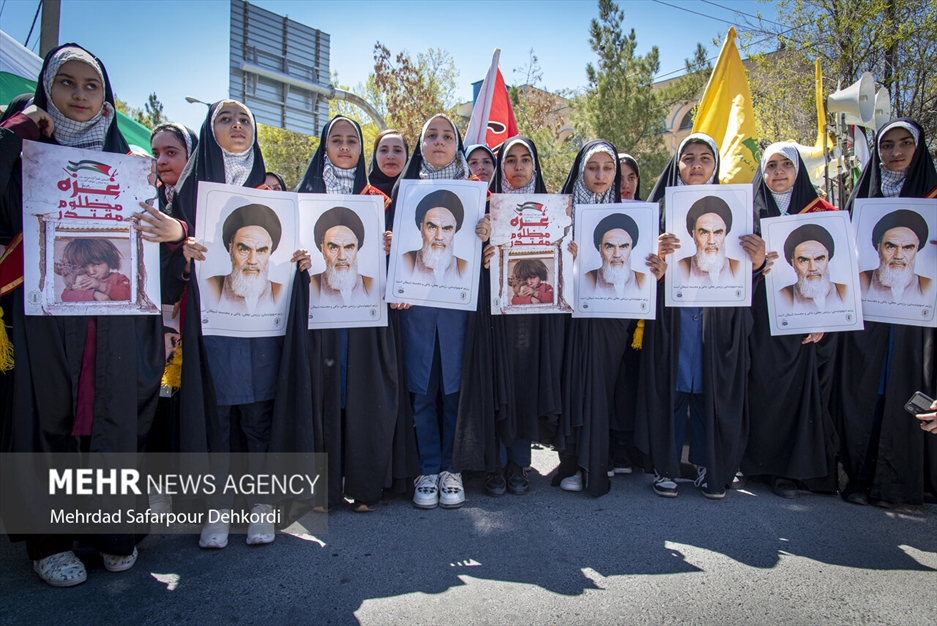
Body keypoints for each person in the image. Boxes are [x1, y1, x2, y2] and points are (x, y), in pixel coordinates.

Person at [0, 43, 186, 587]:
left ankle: (113, 530)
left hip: (118, 320)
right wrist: (19, 131)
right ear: (45, 91)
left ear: (106, 100)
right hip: (47, 318)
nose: (80, 96)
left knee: (116, 417)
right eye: (67, 83)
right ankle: (49, 540)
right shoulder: (20, 153)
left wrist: (175, 233)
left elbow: (162, 237)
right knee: (48, 415)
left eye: (92, 86)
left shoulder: (131, 165)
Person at [171, 99, 310, 547]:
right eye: (225, 119)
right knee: (216, 414)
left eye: (244, 119)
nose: (236, 126)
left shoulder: (274, 198)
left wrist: (301, 262)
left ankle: (262, 506)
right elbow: (159, 260)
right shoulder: (187, 196)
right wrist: (181, 249)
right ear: (210, 132)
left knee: (260, 415)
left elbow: (291, 264)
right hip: (210, 326)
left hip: (262, 331)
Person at [635, 132, 766, 499]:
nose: (696, 165)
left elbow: (749, 274)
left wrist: (755, 263)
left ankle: (712, 465)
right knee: (672, 389)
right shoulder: (658, 210)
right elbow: (638, 271)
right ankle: (667, 467)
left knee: (712, 389)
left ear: (716, 164)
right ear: (677, 163)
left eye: (705, 158)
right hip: (672, 319)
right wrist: (656, 261)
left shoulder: (739, 212)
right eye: (688, 157)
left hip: (719, 320)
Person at [296, 115, 415, 512]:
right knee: (324, 395)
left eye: (351, 141)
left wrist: (389, 245)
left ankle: (365, 486)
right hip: (320, 317)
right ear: (325, 146)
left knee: (363, 395)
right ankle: (324, 491)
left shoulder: (377, 200)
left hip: (366, 318)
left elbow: (402, 256)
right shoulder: (303, 196)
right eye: (337, 140)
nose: (345, 147)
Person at [388, 113, 492, 509]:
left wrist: (487, 234)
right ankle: (427, 468)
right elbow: (389, 250)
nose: (438, 141)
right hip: (415, 310)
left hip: (458, 313)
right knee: (421, 394)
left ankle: (452, 469)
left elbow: (488, 257)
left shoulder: (476, 193)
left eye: (447, 135)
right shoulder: (403, 192)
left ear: (457, 144)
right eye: (430, 135)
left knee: (454, 394)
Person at [555, 141, 667, 496]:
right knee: (572, 384)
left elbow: (643, 269)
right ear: (581, 171)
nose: (601, 175)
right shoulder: (560, 210)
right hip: (568, 315)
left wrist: (656, 269)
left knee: (601, 387)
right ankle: (571, 463)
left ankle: (596, 462)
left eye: (608, 168)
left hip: (613, 318)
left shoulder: (632, 218)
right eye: (593, 168)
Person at [835, 118, 937, 509]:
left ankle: (904, 481)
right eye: (887, 145)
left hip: (917, 325)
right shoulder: (863, 201)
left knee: (910, 390)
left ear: (919, 148)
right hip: (869, 321)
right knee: (868, 393)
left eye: (905, 143)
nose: (895, 152)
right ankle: (860, 478)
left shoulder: (932, 199)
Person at [744, 141, 839, 499]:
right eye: (771, 166)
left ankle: (788, 471)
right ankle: (757, 465)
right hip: (759, 322)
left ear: (799, 171)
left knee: (795, 395)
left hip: (804, 323)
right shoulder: (748, 214)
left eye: (786, 165)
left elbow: (836, 273)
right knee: (761, 390)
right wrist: (755, 268)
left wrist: (825, 317)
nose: (778, 173)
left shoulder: (823, 213)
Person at [485, 136, 561, 496]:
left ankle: (519, 464)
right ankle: (495, 464)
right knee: (497, 385)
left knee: (524, 386)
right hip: (496, 317)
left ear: (535, 166)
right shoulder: (485, 207)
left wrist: (568, 250)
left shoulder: (554, 210)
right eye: (510, 160)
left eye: (525, 160)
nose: (517, 167)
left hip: (533, 318)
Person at [203, 203, 283, 315]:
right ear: (231, 249)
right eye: (244, 250)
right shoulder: (211, 287)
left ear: (270, 252)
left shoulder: (281, 291)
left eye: (261, 251)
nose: (252, 260)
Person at [859, 209, 932, 304]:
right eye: (891, 247)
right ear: (879, 248)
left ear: (916, 250)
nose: (898, 256)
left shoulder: (928, 285)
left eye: (908, 248)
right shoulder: (861, 280)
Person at [399, 189, 469, 285]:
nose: (439, 237)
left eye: (447, 229)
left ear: (454, 231)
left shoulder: (464, 267)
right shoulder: (406, 261)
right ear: (421, 228)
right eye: (432, 227)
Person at [310, 206, 373, 306]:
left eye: (349, 247)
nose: (342, 256)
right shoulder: (311, 286)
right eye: (334, 247)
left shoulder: (371, 285)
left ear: (356, 249)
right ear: (322, 249)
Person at [777, 224, 847, 313]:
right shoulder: (783, 296)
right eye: (804, 261)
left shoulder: (845, 292)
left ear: (827, 260)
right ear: (794, 264)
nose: (813, 268)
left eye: (819, 259)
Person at [676, 196, 741, 287]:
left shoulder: (738, 267)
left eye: (717, 232)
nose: (711, 241)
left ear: (725, 234)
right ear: (694, 235)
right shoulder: (680, 267)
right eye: (704, 233)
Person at [582, 213, 646, 299]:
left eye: (623, 247)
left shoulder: (642, 279)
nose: (617, 254)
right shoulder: (588, 279)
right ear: (600, 249)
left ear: (630, 248)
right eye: (610, 247)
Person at [59, 238, 131, 302]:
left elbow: (129, 295)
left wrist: (100, 286)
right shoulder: (81, 280)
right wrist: (94, 295)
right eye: (83, 266)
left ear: (110, 261)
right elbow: (65, 296)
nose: (91, 272)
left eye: (97, 264)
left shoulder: (119, 278)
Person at [150, 122, 198, 214]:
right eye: (156, 154)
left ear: (191, 155)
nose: (160, 161)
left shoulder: (206, 199)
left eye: (171, 152)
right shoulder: (147, 197)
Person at [368, 129, 408, 197]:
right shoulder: (362, 193)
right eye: (383, 150)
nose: (390, 156)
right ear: (375, 155)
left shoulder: (417, 191)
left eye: (397, 150)